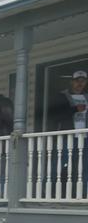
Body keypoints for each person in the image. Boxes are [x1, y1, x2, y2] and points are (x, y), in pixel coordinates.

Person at [45, 69, 88, 197]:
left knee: (84, 167)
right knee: (57, 166)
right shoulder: (62, 96)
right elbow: (54, 116)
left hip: (85, 138)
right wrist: (74, 109)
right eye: (77, 81)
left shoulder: (86, 96)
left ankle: (82, 194)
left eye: (83, 81)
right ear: (71, 82)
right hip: (67, 137)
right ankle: (47, 192)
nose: (80, 83)